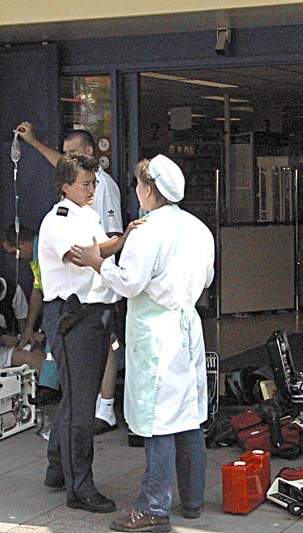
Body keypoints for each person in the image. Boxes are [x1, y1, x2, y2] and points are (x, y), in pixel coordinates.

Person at [71, 154, 214, 532]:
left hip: (156, 332)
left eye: (138, 185)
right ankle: (194, 500)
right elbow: (207, 279)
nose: (136, 191)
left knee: (158, 421)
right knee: (189, 416)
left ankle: (153, 509)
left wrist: (96, 263)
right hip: (187, 328)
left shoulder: (147, 230)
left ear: (148, 189)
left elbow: (129, 282)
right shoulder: (198, 227)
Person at [38, 153, 136, 514]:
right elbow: (81, 256)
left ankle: (58, 468)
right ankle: (80, 488)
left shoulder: (87, 215)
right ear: (66, 187)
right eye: (85, 183)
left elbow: (100, 247)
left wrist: (124, 237)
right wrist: (112, 248)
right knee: (82, 407)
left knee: (76, 397)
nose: (92, 188)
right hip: (73, 315)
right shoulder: (59, 219)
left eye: (94, 182)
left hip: (92, 315)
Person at [15, 121, 124, 435]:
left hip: (98, 289)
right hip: (75, 301)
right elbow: (76, 252)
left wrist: (120, 245)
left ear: (90, 153)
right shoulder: (66, 213)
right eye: (65, 154)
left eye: (74, 153)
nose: (66, 159)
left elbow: (111, 235)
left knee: (102, 355)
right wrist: (33, 142)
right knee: (78, 382)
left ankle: (103, 410)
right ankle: (66, 450)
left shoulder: (104, 189)